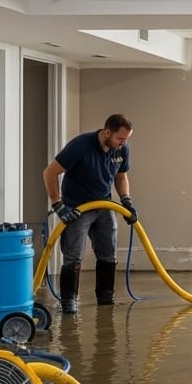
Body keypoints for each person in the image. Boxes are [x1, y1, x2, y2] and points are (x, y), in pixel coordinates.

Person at [42, 113, 139, 313]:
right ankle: (69, 302)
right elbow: (50, 172)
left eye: (126, 139)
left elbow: (121, 177)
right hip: (77, 208)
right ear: (107, 132)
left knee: (108, 253)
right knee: (73, 255)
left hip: (105, 206)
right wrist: (59, 205)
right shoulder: (81, 146)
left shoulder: (122, 149)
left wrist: (126, 200)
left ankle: (106, 297)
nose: (123, 143)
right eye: (120, 139)